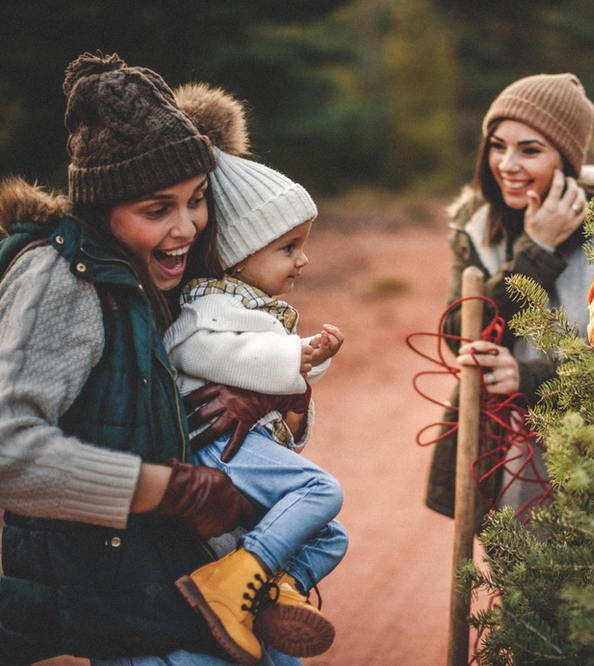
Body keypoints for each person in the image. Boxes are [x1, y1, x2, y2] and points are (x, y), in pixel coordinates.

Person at [0, 53, 294, 665]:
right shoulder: (64, 280)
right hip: (122, 601)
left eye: (197, 199)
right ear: (102, 209)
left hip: (176, 582)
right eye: (157, 208)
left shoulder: (157, 269)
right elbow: (10, 453)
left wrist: (267, 395)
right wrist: (177, 490)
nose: (186, 227)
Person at [425, 73, 594, 524]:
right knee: (520, 582)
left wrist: (528, 376)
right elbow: (462, 339)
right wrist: (535, 250)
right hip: (508, 450)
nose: (507, 164)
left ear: (567, 158)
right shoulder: (477, 224)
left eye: (530, 149)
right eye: (498, 145)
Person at [162, 83, 349, 664]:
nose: (303, 260)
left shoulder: (252, 306)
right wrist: (292, 359)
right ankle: (235, 582)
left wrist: (296, 387)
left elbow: (276, 410)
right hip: (217, 451)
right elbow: (194, 350)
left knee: (330, 535)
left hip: (244, 446)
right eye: (289, 247)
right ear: (239, 252)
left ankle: (267, 587)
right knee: (322, 491)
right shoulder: (210, 301)